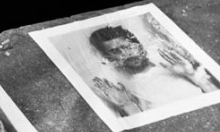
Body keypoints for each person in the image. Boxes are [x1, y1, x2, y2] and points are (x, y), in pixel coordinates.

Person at [89, 25, 219, 117]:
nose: (126, 53)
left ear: (139, 45)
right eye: (115, 51)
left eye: (127, 46)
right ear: (109, 58)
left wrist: (193, 75)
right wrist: (126, 105)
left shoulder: (175, 64)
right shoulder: (123, 90)